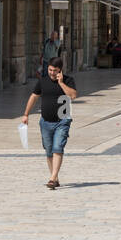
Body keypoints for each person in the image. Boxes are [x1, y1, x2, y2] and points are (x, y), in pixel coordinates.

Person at [19, 57, 78, 189]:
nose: (52, 73)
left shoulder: (68, 80)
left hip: (63, 120)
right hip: (45, 122)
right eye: (50, 70)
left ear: (60, 71)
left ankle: (52, 178)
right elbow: (34, 96)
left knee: (58, 147)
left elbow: (73, 95)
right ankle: (55, 177)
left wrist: (61, 83)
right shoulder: (43, 81)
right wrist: (26, 114)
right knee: (49, 151)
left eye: (55, 70)